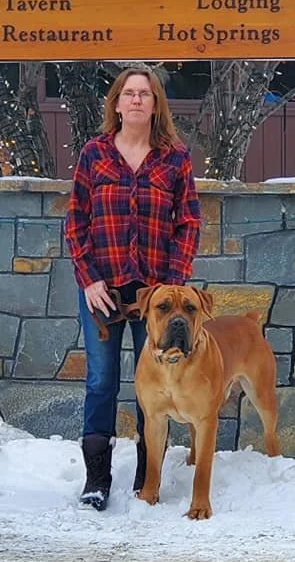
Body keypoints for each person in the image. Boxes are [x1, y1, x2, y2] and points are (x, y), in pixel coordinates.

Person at [64, 66, 201, 511]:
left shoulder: (175, 159)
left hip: (155, 298)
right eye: (130, 93)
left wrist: (172, 284)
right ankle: (96, 479)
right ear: (117, 104)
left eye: (146, 93)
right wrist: (88, 279)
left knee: (154, 383)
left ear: (156, 104)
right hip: (103, 291)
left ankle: (149, 476)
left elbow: (189, 222)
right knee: (101, 382)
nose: (137, 100)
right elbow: (75, 222)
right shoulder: (94, 154)